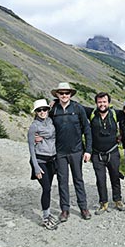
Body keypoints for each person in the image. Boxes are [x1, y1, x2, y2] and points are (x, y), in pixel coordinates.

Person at [49, 82, 92, 222]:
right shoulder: (52, 109)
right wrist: (37, 136)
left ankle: (83, 208)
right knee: (62, 181)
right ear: (57, 95)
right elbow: (43, 123)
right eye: (61, 93)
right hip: (59, 152)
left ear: (70, 94)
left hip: (77, 151)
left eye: (66, 93)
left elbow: (87, 129)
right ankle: (65, 210)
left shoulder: (78, 108)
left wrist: (88, 150)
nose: (64, 96)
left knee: (78, 179)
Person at [86, 92, 125, 214]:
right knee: (100, 179)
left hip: (112, 152)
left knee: (115, 176)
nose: (102, 104)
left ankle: (117, 200)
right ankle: (103, 203)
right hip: (97, 154)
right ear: (96, 103)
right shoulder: (92, 114)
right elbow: (75, 106)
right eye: (99, 102)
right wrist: (55, 102)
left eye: (104, 102)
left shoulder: (115, 114)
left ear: (108, 103)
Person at [27, 99, 59, 230]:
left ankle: (48, 213)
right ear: (35, 112)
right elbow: (30, 148)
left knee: (49, 188)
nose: (42, 112)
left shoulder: (50, 121)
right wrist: (36, 168)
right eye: (39, 110)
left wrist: (55, 100)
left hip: (51, 160)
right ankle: (46, 217)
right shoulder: (34, 126)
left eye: (44, 109)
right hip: (40, 161)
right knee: (46, 188)